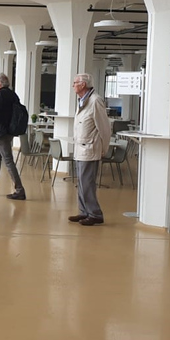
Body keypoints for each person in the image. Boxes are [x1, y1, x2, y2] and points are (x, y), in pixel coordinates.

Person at [69, 73, 111, 226]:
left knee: (87, 182)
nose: (73, 85)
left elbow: (105, 128)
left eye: (75, 82)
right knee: (81, 182)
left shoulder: (95, 101)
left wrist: (103, 148)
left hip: (90, 148)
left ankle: (95, 214)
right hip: (81, 147)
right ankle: (84, 211)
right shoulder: (82, 100)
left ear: (83, 85)